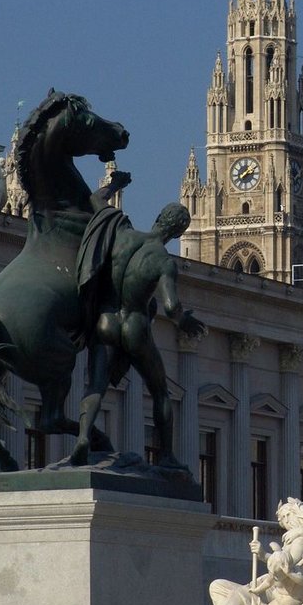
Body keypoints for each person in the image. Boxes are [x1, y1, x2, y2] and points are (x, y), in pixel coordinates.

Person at [73, 200, 206, 466]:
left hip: (106, 320)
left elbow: (98, 210)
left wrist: (111, 189)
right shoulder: (163, 261)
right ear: (179, 234)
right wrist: (184, 321)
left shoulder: (123, 235)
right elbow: (171, 306)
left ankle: (84, 437)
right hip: (134, 325)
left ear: (158, 216)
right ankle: (166, 456)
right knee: (160, 391)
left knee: (95, 384)